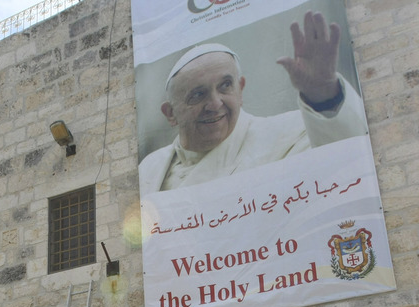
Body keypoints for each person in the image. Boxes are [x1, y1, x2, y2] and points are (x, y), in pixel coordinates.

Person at [138, 12, 368, 193]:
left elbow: (347, 163)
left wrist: (324, 94)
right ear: (170, 114)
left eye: (225, 86)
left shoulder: (287, 135)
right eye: (198, 95)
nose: (215, 103)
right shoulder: (148, 170)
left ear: (241, 89)